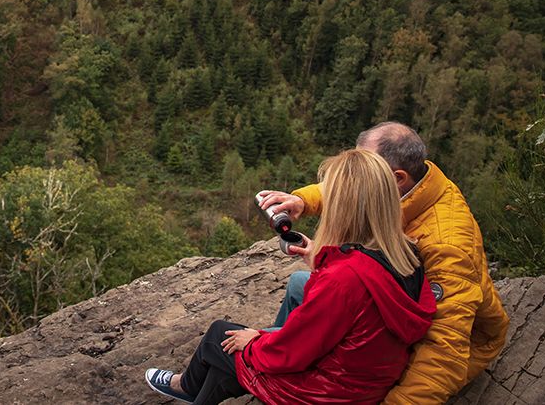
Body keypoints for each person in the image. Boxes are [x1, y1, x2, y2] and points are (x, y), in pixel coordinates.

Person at [144, 149, 436, 405]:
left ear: (341, 208)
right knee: (248, 338)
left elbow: (293, 351)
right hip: (365, 380)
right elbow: (361, 293)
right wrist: (321, 257)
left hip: (327, 392)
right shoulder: (407, 253)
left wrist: (256, 341)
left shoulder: (343, 279)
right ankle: (198, 389)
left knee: (221, 339)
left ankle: (187, 386)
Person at [257, 122, 509, 404]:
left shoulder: (447, 243)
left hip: (429, 341)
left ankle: (281, 359)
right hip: (398, 300)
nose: (352, 179)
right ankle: (285, 358)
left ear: (397, 177)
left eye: (363, 169)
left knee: (242, 342)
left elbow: (443, 351)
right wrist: (303, 200)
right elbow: (353, 187)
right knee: (297, 286)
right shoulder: (413, 185)